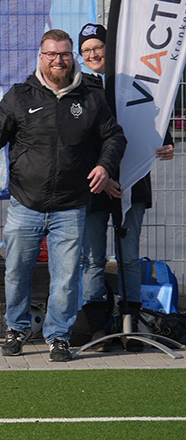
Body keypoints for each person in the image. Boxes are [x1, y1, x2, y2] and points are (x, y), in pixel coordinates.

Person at [0, 29, 126, 362]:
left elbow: (115, 137)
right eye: (52, 54)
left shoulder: (90, 98)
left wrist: (105, 166)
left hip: (71, 205)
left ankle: (58, 337)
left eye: (64, 54)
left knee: (66, 278)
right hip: (25, 203)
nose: (59, 60)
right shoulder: (20, 96)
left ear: (72, 57)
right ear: (40, 57)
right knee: (16, 272)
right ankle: (16, 328)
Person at [77, 23, 174, 350]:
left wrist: (167, 142)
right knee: (92, 259)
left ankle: (131, 325)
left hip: (133, 184)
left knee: (129, 258)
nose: (92, 54)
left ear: (111, 48)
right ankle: (97, 327)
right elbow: (79, 142)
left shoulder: (134, 83)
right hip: (94, 186)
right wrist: (103, 178)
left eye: (97, 47)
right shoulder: (78, 89)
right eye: (86, 50)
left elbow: (153, 120)